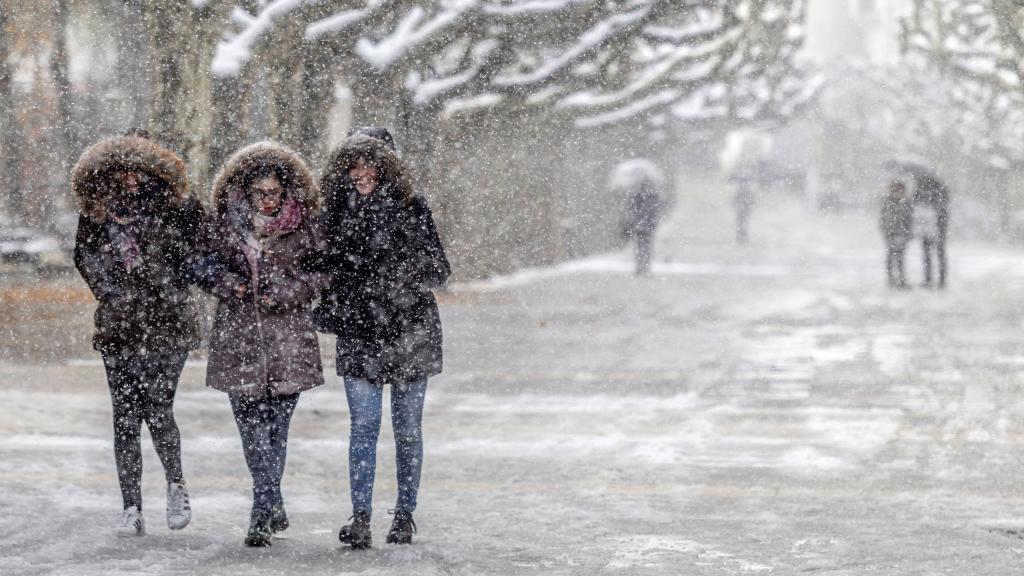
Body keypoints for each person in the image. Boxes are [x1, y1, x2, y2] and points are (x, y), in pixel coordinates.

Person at [304, 132, 450, 548]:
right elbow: (316, 265)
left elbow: (439, 269)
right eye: (354, 165)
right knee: (363, 427)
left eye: (370, 164)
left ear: (388, 166)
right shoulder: (332, 213)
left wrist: (396, 271)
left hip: (410, 331)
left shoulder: (412, 208)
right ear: (343, 170)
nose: (362, 173)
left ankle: (404, 516)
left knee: (407, 429)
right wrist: (336, 274)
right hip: (359, 331)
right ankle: (361, 517)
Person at [72, 133, 204, 537]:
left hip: (169, 324)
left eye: (139, 168)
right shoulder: (98, 210)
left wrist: (168, 282)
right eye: (123, 168)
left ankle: (176, 484)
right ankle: (131, 506)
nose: (130, 177)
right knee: (125, 418)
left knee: (158, 407)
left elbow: (199, 251)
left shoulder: (178, 207)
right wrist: (111, 290)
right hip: (119, 327)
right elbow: (85, 255)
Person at [194, 142, 324, 547]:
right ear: (244, 192)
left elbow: (323, 273)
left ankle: (263, 506)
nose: (266, 201)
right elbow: (201, 265)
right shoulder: (222, 225)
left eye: (273, 193)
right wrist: (230, 285)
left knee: (276, 431)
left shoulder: (305, 226)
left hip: (288, 341)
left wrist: (288, 291)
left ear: (286, 192)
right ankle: (267, 502)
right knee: (252, 432)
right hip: (239, 341)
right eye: (258, 193)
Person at [618, 164, 664, 275]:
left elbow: (630, 207)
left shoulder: (634, 192)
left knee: (639, 245)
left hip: (638, 223)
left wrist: (631, 217)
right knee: (647, 245)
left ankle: (640, 266)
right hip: (649, 223)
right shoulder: (653, 192)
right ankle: (646, 266)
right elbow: (657, 207)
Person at [912, 172, 950, 288]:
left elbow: (914, 205)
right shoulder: (940, 189)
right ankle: (940, 280)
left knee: (929, 254)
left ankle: (929, 279)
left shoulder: (922, 190)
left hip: (931, 227)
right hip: (937, 227)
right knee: (938, 254)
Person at [879, 179, 913, 289]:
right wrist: (887, 230)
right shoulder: (889, 201)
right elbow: (885, 218)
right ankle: (891, 279)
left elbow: (909, 218)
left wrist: (908, 232)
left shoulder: (906, 202)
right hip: (892, 232)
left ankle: (901, 278)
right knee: (892, 255)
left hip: (902, 232)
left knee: (900, 256)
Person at [733, 176, 755, 245]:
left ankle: (742, 238)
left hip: (744, 211)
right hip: (742, 211)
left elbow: (752, 201)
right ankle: (741, 238)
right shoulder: (743, 192)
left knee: (743, 224)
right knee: (741, 224)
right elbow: (734, 201)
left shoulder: (745, 192)